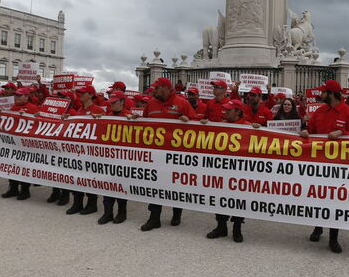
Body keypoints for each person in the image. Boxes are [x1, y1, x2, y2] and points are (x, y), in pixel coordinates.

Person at [302, 79, 349, 253]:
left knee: (335, 200)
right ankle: (318, 227)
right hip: (319, 164)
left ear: (331, 94)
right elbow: (311, 130)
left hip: (338, 166)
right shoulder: (319, 111)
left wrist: (343, 132)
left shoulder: (348, 112)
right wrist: (305, 132)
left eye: (323, 92)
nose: (320, 94)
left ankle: (333, 237)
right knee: (318, 197)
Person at [139, 77, 195, 231]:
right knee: (155, 184)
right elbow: (143, 124)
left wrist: (188, 120)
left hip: (175, 155)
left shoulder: (182, 103)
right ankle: (154, 217)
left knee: (176, 185)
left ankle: (177, 213)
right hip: (155, 154)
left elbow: (196, 123)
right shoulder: (151, 103)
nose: (154, 90)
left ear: (165, 88)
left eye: (157, 88)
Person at [206, 99, 251, 242]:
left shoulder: (248, 128)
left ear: (237, 112)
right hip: (223, 170)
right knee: (220, 197)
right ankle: (221, 226)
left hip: (240, 172)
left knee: (238, 200)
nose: (225, 111)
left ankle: (237, 228)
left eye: (228, 110)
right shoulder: (221, 125)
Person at [63, 85, 104, 214]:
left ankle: (92, 204)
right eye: (80, 93)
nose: (80, 95)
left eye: (83, 93)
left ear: (90, 95)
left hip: (91, 150)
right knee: (77, 177)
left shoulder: (98, 110)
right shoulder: (80, 110)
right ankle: (77, 203)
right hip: (79, 150)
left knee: (90, 178)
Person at [94, 92, 130, 224]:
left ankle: (122, 212)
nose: (112, 104)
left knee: (120, 186)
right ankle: (108, 213)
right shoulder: (107, 116)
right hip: (108, 156)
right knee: (107, 184)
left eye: (114, 102)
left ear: (122, 102)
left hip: (123, 158)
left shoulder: (129, 116)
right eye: (111, 102)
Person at [1, 88, 39, 200]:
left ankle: (25, 190)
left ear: (26, 97)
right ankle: (13, 188)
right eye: (16, 95)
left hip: (26, 144)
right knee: (12, 166)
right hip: (14, 143)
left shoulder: (33, 108)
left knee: (24, 167)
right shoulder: (13, 107)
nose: (16, 97)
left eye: (19, 95)